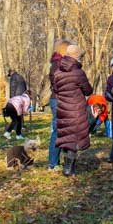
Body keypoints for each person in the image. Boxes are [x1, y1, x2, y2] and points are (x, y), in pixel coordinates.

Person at [51, 43, 92, 176]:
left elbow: (55, 89)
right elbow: (88, 91)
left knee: (66, 137)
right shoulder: (78, 73)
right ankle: (68, 168)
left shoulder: (57, 72)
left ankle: (68, 167)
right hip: (76, 109)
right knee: (74, 138)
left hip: (62, 108)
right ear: (76, 56)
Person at [47, 40, 69, 170]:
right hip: (59, 100)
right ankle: (53, 163)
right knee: (58, 131)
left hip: (60, 99)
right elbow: (58, 84)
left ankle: (56, 161)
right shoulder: (58, 64)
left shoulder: (59, 63)